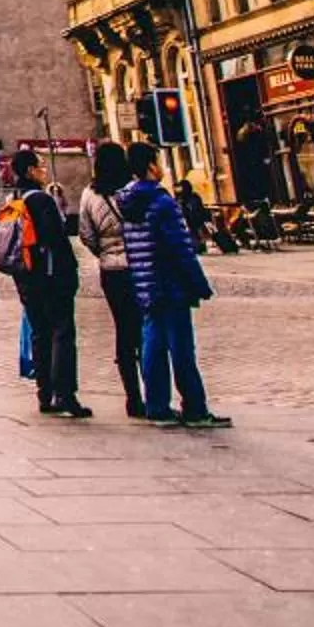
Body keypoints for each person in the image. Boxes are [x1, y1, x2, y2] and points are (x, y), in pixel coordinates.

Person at [120, 141, 231, 428]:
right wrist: (198, 283)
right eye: (158, 162)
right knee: (182, 348)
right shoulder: (161, 202)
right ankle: (195, 408)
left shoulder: (127, 203)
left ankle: (157, 406)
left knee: (153, 345)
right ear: (150, 166)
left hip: (145, 284)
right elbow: (181, 248)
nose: (161, 168)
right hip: (170, 283)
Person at [5, 149, 88, 417]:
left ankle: (44, 393)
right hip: (50, 276)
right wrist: (70, 273)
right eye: (40, 166)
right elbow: (56, 239)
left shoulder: (12, 199)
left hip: (25, 277)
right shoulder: (41, 200)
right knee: (62, 332)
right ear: (30, 171)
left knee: (39, 333)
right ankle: (66, 394)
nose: (44, 170)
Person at [77, 141, 146, 421]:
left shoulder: (89, 195)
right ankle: (154, 392)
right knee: (147, 331)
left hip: (112, 272)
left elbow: (86, 233)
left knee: (124, 332)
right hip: (140, 267)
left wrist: (105, 252)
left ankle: (132, 397)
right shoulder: (134, 190)